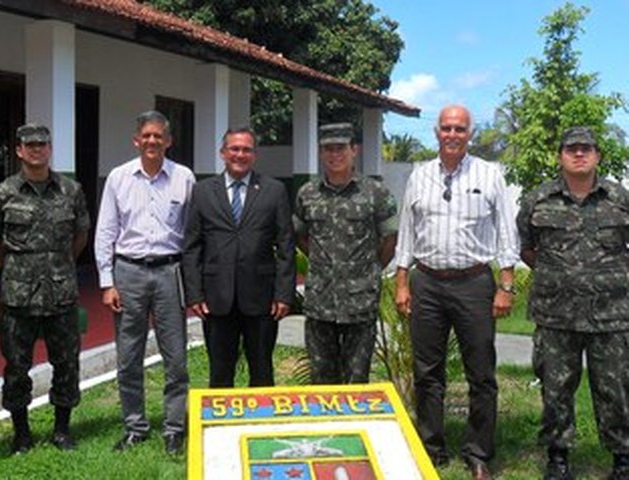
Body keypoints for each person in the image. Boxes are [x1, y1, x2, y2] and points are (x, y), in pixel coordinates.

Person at [394, 105, 519, 480]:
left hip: (474, 283)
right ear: (436, 132)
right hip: (427, 282)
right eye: (446, 128)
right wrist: (402, 281)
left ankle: (478, 452)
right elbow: (406, 231)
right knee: (427, 372)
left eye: (459, 129)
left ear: (470, 133)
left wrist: (506, 285)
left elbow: (505, 233)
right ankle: (431, 448)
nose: (452, 134)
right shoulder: (419, 175)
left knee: (480, 372)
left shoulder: (489, 174)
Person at [517, 126, 629, 480]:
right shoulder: (538, 199)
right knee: (556, 388)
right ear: (560, 156)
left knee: (616, 390)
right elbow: (527, 248)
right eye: (571, 149)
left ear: (597, 155)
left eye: (586, 148)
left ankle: (623, 458)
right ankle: (558, 457)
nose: (578, 154)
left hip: (611, 316)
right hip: (556, 314)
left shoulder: (620, 199)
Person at [0, 124, 90, 453]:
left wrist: (57, 265)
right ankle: (21, 433)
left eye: (42, 144)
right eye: (29, 145)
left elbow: (80, 237)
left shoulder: (70, 190)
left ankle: (61, 429)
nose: (36, 150)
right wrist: (23, 268)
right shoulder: (2, 193)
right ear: (18, 150)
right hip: (18, 296)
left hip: (61, 293)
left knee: (66, 363)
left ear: (49, 149)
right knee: (17, 367)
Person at [94, 110, 195, 455]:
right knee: (129, 355)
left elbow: (192, 234)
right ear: (136, 140)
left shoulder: (184, 178)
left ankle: (174, 428)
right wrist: (108, 282)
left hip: (170, 273)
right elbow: (105, 231)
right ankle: (135, 426)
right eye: (146, 136)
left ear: (168, 141)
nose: (152, 141)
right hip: (129, 273)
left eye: (159, 136)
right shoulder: (119, 178)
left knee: (176, 357)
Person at [182, 127, 295, 388]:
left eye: (246, 149)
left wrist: (283, 294)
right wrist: (195, 294)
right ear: (223, 153)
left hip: (261, 298)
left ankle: (262, 426)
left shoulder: (274, 190)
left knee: (262, 371)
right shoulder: (202, 191)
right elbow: (192, 246)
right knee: (220, 373)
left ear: (254, 155)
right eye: (234, 148)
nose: (240, 154)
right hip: (216, 298)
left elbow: (286, 245)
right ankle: (222, 428)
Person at [293, 123, 398, 385]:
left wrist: (370, 269)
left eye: (341, 148)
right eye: (328, 149)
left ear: (354, 150)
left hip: (360, 301)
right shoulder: (307, 193)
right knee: (321, 379)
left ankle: (351, 427)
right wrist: (321, 262)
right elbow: (300, 235)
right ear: (321, 153)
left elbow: (390, 239)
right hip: (320, 301)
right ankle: (325, 428)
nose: (334, 154)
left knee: (357, 379)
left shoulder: (375, 193)